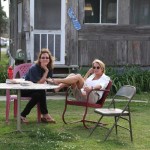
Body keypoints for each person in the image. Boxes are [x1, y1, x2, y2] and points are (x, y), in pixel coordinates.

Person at [20, 48, 56, 123]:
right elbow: (39, 83)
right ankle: (45, 115)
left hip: (36, 90)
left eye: (47, 57)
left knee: (38, 94)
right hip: (25, 89)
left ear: (49, 59)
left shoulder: (49, 68)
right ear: (39, 59)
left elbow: (48, 79)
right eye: (43, 57)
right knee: (40, 92)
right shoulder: (34, 68)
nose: (45, 59)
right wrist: (46, 71)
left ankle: (22, 115)